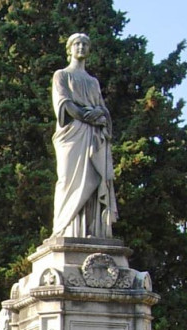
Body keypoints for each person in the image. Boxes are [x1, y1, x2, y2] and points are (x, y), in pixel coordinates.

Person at [51, 33, 117, 238]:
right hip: (72, 134)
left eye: (85, 44)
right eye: (77, 44)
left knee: (93, 180)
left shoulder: (93, 82)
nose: (80, 47)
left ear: (88, 50)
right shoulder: (61, 75)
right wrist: (86, 116)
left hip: (93, 135)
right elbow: (64, 104)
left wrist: (100, 114)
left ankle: (91, 229)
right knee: (67, 180)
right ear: (69, 49)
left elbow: (103, 109)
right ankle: (63, 228)